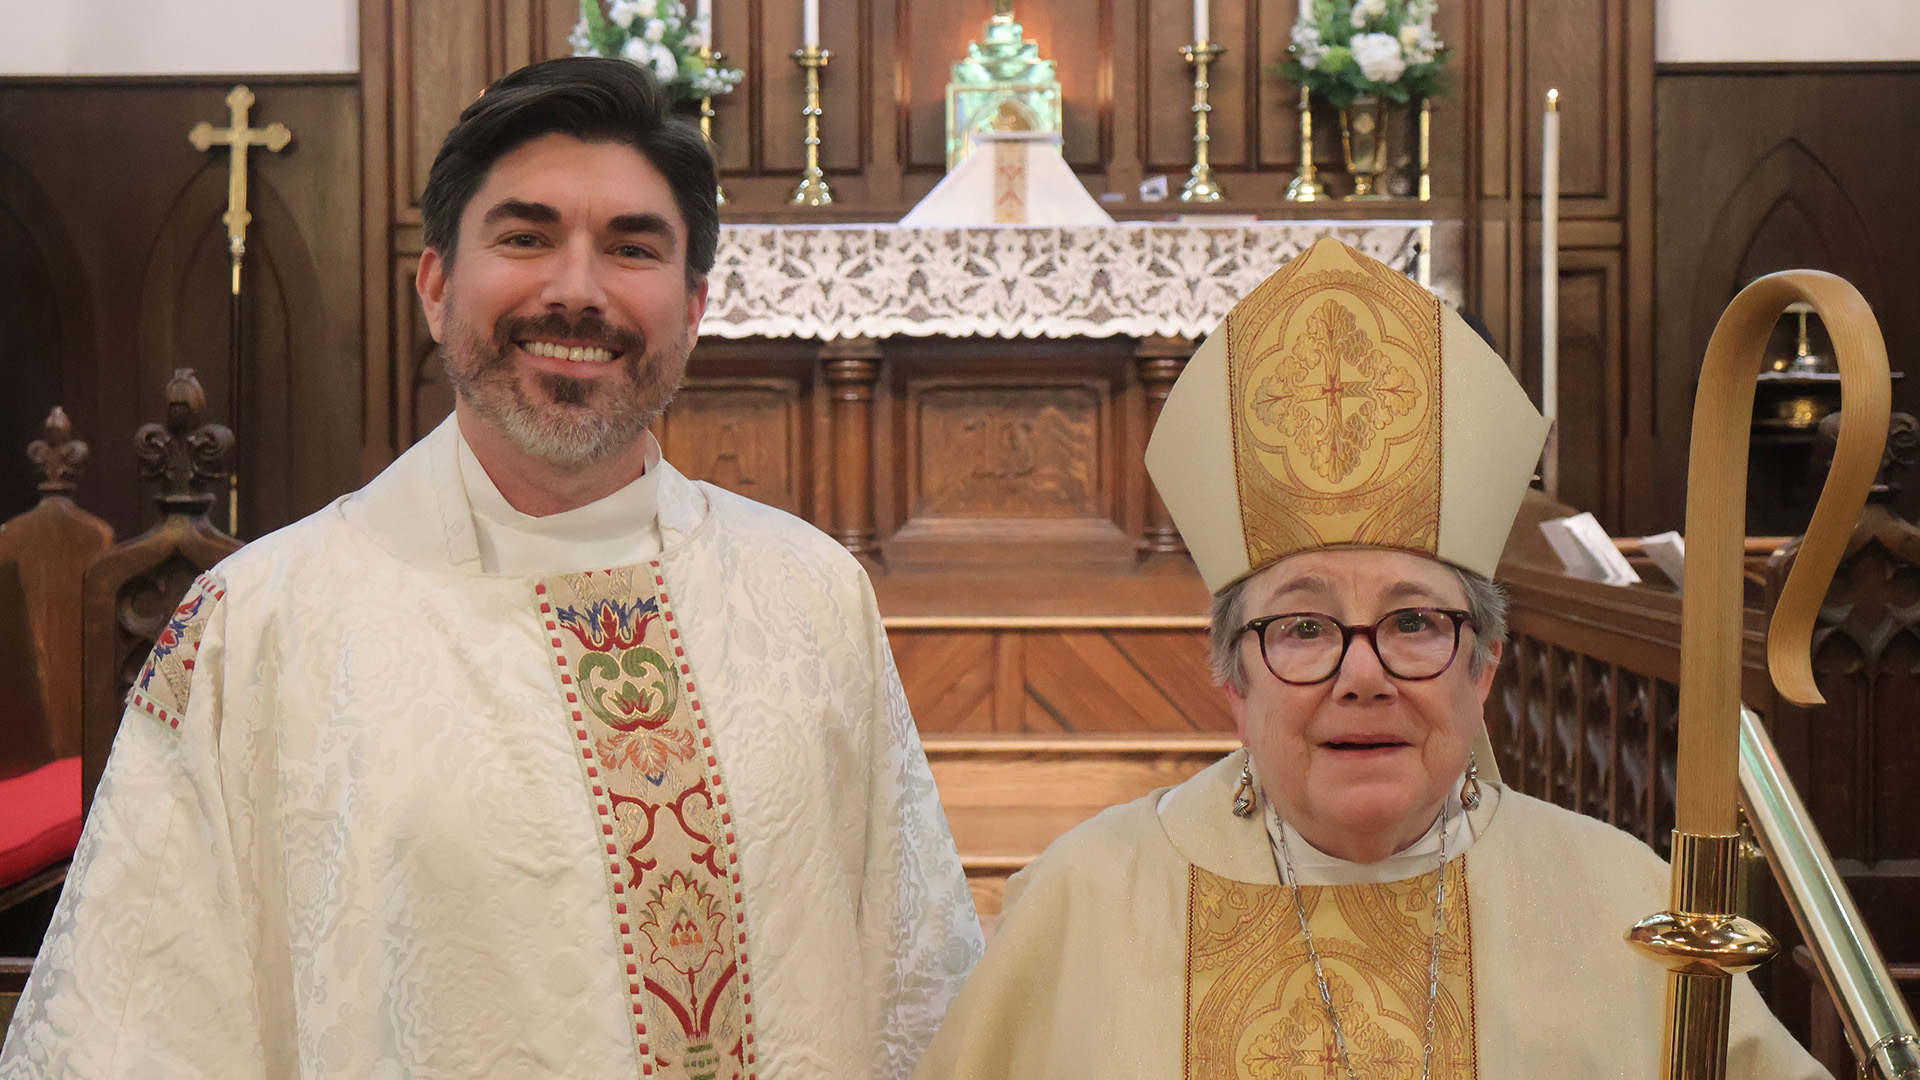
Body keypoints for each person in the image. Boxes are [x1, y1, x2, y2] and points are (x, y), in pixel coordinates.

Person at [2, 57, 981, 1079]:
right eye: (525, 236)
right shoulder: (259, 626)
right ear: (437, 285)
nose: (575, 290)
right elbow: (139, 1027)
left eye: (632, 248)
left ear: (694, 309)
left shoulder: (810, 596)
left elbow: (914, 994)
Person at [911, 238, 1827, 1079]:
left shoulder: (1625, 903)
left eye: (1415, 623)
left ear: (1485, 668)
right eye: (1304, 629)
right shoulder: (1086, 901)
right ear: (1233, 680)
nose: (1363, 675)